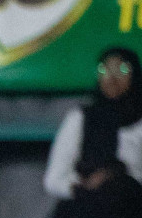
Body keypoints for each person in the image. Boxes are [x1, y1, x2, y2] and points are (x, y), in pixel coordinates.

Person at [43, 46, 142, 200]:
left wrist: (113, 176)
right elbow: (54, 179)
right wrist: (85, 185)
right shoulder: (80, 118)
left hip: (130, 204)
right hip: (85, 201)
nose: (112, 78)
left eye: (122, 70)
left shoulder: (139, 121)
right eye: (104, 70)